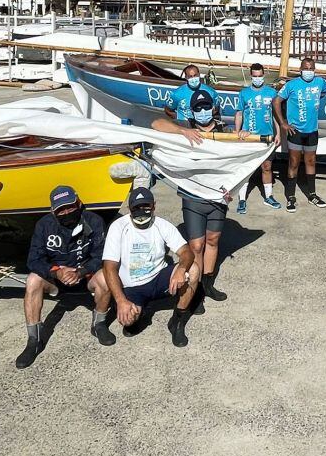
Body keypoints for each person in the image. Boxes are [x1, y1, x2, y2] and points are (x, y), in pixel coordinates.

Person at [15, 185, 115, 370]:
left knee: (105, 277)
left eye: (70, 206)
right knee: (32, 280)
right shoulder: (44, 225)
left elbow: (101, 255)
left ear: (79, 203)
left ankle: (99, 324)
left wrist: (80, 272)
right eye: (61, 209)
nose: (67, 212)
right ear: (53, 211)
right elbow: (33, 260)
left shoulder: (94, 221)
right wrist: (57, 272)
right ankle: (33, 339)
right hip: (57, 278)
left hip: (85, 276)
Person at [102, 186, 199, 347]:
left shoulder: (162, 225)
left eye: (146, 206)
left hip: (158, 278)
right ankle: (142, 308)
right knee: (128, 322)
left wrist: (181, 270)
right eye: (136, 208)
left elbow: (186, 252)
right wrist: (120, 301)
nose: (141, 210)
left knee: (193, 269)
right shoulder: (118, 227)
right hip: (132, 286)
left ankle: (177, 321)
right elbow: (109, 267)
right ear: (129, 208)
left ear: (154, 205)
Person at [177, 89, 234, 309]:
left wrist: (241, 136)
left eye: (206, 107)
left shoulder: (224, 130)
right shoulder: (185, 129)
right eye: (198, 108)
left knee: (212, 241)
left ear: (214, 107)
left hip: (217, 196)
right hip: (192, 196)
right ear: (192, 111)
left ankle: (208, 284)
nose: (203, 111)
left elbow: (239, 159)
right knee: (197, 245)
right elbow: (156, 125)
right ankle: (196, 288)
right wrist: (180, 129)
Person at [273, 57, 326, 211]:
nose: (308, 71)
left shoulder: (320, 82)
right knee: (293, 163)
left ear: (314, 70)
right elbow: (276, 101)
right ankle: (291, 197)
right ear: (300, 70)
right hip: (296, 130)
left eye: (311, 68)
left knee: (311, 162)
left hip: (312, 130)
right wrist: (283, 123)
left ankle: (312, 194)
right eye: (306, 68)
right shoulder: (291, 85)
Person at [235, 63, 281, 214]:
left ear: (264, 75)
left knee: (267, 167)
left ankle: (269, 196)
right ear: (250, 76)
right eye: (254, 76)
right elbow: (239, 113)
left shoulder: (272, 92)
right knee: (246, 169)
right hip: (249, 138)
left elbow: (276, 115)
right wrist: (238, 132)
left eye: (259, 76)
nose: (257, 78)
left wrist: (278, 133)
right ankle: (242, 200)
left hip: (267, 137)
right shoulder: (244, 93)